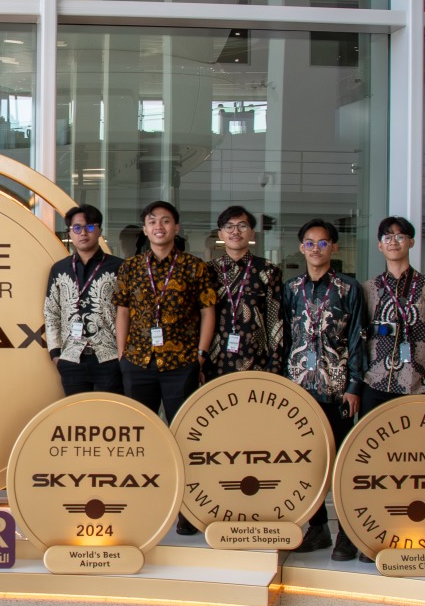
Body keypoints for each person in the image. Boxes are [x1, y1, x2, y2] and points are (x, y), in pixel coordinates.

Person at [113, 201, 218, 535]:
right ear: (145, 229)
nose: (159, 227)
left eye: (166, 221)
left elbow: (207, 311)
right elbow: (123, 312)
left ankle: (188, 511)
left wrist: (200, 354)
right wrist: (122, 355)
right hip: (138, 362)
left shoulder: (194, 267)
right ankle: (141, 508)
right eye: (152, 221)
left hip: (180, 364)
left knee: (184, 438)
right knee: (138, 439)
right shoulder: (130, 268)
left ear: (176, 228)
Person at [282, 219, 369, 561]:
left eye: (322, 243)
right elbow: (285, 339)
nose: (315, 249)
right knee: (307, 462)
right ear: (301, 247)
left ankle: (347, 533)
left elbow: (359, 337)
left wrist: (354, 385)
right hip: (301, 389)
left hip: (338, 390)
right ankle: (318, 528)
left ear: (334, 247)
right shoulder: (291, 289)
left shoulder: (349, 289)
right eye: (309, 243)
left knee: (342, 464)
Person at [362, 216, 425, 414]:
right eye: (387, 238)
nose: (393, 242)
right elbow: (358, 337)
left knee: (409, 445)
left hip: (415, 386)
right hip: (373, 384)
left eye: (400, 236)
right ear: (380, 245)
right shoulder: (368, 289)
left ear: (411, 242)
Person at [44, 204, 123, 395]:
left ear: (99, 231)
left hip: (109, 358)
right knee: (77, 419)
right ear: (71, 232)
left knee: (109, 417)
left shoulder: (119, 267)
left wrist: (123, 356)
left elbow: (129, 312)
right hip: (72, 359)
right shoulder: (59, 269)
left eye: (89, 227)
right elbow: (51, 311)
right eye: (77, 228)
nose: (83, 233)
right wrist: (56, 353)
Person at [205, 206, 284, 379]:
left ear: (252, 233)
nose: (236, 232)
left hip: (258, 361)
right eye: (229, 226)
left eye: (242, 226)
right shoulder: (207, 271)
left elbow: (275, 319)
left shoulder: (268, 270)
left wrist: (275, 363)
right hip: (215, 360)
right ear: (220, 234)